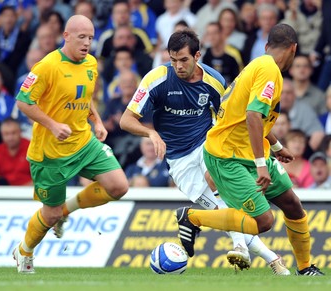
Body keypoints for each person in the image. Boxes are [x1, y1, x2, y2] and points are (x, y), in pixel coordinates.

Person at [120, 29, 291, 275]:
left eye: (184, 60)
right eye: (173, 60)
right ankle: (273, 259)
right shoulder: (156, 79)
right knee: (223, 213)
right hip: (179, 160)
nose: (178, 66)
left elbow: (242, 116)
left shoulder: (214, 81)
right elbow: (126, 120)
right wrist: (151, 133)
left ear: (197, 55)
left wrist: (274, 145)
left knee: (222, 190)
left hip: (210, 144)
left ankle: (244, 249)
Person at [175, 23, 324, 276]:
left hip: (248, 150)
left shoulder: (260, 64)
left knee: (292, 203)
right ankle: (191, 217)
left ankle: (305, 267)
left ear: (267, 47)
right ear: (294, 49)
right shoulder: (269, 71)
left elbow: (255, 117)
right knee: (263, 221)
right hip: (227, 156)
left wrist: (276, 146)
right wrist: (261, 165)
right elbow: (253, 115)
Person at [12, 15, 129, 273]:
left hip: (83, 141)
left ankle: (67, 209)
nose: (87, 43)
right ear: (66, 36)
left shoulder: (91, 63)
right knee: (49, 214)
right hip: (50, 152)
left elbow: (83, 97)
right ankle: (24, 251)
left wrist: (96, 121)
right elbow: (23, 102)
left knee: (119, 186)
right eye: (81, 37)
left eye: (90, 38)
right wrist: (53, 125)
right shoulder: (47, 66)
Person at [0, 118, 32, 186]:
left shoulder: (31, 148)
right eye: (6, 134)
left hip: (29, 192)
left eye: (13, 133)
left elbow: (39, 177)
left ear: (20, 132)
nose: (10, 137)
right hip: (3, 193)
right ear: (1, 135)